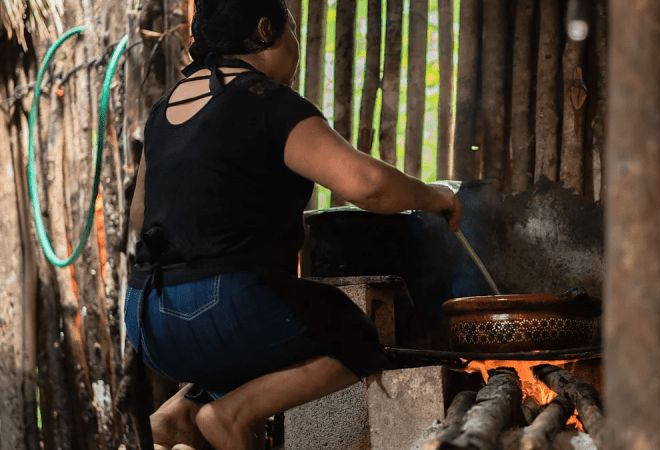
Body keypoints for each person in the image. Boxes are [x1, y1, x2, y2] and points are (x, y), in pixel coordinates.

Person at [124, 1, 463, 449]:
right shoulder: (266, 101)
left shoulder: (164, 109)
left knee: (240, 355)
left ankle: (174, 422)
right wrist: (435, 195)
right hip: (223, 307)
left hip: (146, 317)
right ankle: (230, 416)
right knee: (352, 334)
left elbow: (138, 215)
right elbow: (368, 185)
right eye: (294, 30)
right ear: (266, 28)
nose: (298, 45)